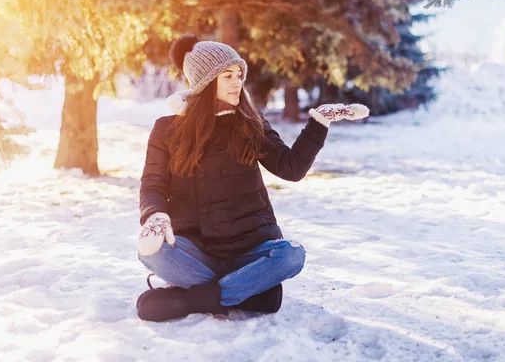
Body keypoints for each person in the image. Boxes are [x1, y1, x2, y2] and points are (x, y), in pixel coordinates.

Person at [136, 35, 369, 322]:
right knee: (151, 253)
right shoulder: (167, 130)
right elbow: (153, 184)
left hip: (248, 251)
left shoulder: (250, 123)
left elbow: (291, 168)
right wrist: (155, 215)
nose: (237, 83)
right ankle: (248, 291)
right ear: (206, 82)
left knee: (291, 256)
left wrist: (318, 123)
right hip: (196, 250)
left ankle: (189, 299)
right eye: (227, 76)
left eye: (239, 75)